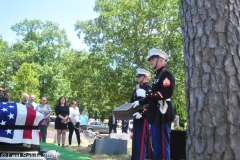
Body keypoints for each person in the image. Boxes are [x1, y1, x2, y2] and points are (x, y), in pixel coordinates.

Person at [131, 48, 175, 160]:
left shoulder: (166, 74)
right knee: (156, 146)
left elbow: (167, 92)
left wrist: (147, 95)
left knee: (162, 147)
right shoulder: (157, 76)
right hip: (156, 115)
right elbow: (151, 96)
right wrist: (140, 101)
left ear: (161, 60)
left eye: (153, 59)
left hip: (162, 114)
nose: (150, 61)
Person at [130, 68, 152, 160]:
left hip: (143, 118)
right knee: (135, 140)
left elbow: (150, 103)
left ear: (146, 78)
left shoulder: (149, 89)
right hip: (135, 117)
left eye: (140, 76)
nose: (138, 78)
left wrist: (141, 114)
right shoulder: (136, 89)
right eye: (138, 76)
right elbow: (131, 102)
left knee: (141, 140)